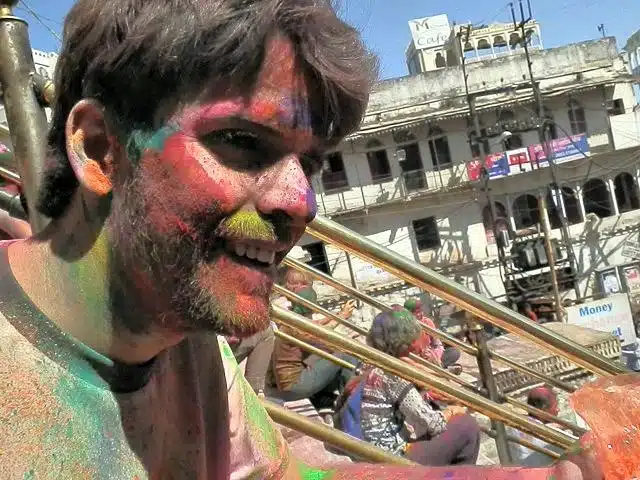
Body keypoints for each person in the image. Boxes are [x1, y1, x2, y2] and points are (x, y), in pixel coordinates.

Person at [0, 0, 605, 478]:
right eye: (241, 142)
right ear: (102, 150)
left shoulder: (180, 331)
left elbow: (278, 473)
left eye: (310, 165)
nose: (300, 202)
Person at [360, 307, 481, 466]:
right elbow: (434, 424)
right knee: (467, 426)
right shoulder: (393, 377)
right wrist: (452, 411)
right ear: (404, 340)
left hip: (378, 449)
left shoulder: (379, 365)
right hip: (393, 459)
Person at [272, 286, 357, 406]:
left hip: (290, 382)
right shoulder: (294, 326)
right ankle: (350, 404)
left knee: (331, 353)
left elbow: (315, 325)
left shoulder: (292, 319)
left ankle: (328, 398)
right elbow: (320, 333)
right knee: (345, 356)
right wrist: (342, 316)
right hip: (295, 384)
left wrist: (338, 314)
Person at [508, 386, 568, 466]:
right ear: (543, 409)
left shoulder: (517, 423)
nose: (558, 410)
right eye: (555, 406)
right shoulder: (548, 432)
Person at [404, 297, 462, 374]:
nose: (420, 314)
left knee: (455, 352)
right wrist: (419, 355)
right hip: (415, 360)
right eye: (417, 312)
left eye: (421, 311)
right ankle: (441, 370)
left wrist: (433, 354)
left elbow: (437, 344)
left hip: (430, 356)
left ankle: (437, 369)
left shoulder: (427, 322)